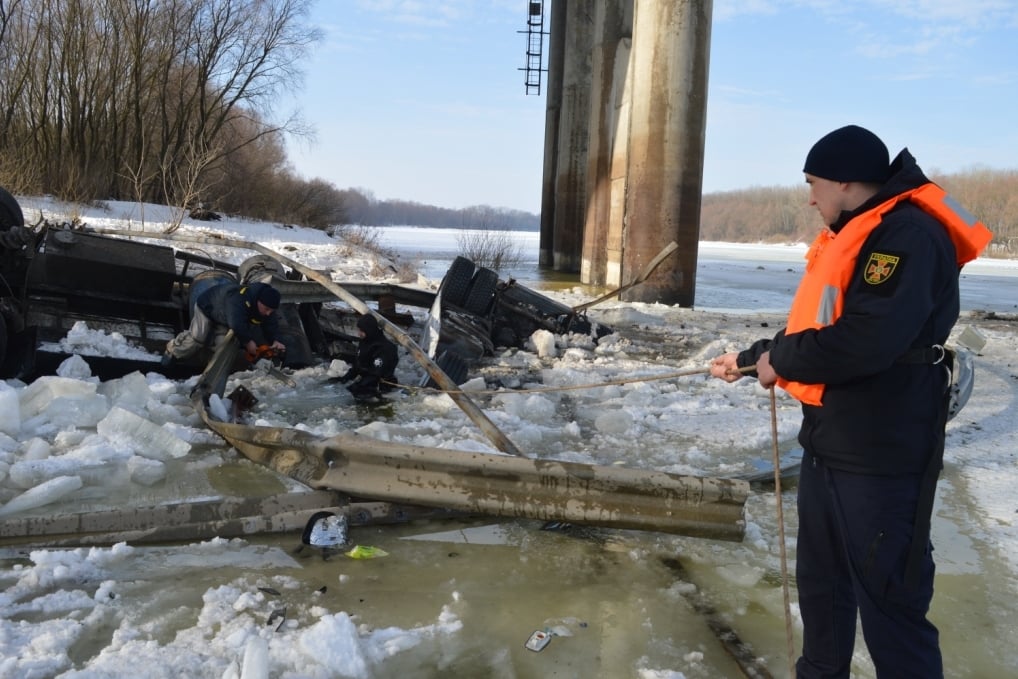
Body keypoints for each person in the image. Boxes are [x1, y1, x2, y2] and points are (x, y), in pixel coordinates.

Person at [709, 125, 992, 678]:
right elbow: (819, 329)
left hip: (880, 456)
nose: (810, 198)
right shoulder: (859, 233)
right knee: (823, 588)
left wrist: (782, 361)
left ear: (844, 180)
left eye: (813, 183)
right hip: (831, 446)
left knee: (890, 603)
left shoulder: (905, 236)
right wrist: (751, 359)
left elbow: (867, 340)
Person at [163, 281, 286, 365]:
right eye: (267, 309)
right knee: (197, 339)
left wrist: (276, 340)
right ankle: (172, 349)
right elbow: (237, 323)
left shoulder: (267, 308)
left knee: (223, 347)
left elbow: (271, 324)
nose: (268, 313)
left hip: (224, 318)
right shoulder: (238, 298)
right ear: (258, 301)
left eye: (271, 311)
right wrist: (248, 341)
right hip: (207, 308)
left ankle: (207, 366)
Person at [337, 314, 398, 400]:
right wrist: (345, 378)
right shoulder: (365, 341)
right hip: (366, 378)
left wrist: (358, 386)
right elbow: (358, 365)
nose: (359, 333)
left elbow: (376, 374)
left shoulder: (385, 348)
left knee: (357, 392)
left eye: (362, 331)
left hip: (381, 386)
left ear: (369, 330)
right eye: (359, 330)